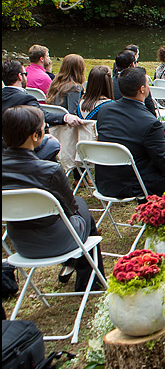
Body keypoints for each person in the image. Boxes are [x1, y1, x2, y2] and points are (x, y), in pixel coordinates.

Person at [2, 105, 105, 291]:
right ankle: (89, 281)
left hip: (21, 244)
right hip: (56, 242)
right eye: (45, 129)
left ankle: (80, 271)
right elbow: (71, 209)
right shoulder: (49, 170)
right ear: (36, 136)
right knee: (81, 207)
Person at [94, 67, 165, 198]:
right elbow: (163, 162)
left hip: (105, 182)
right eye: (147, 84)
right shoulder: (151, 123)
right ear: (142, 89)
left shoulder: (105, 110)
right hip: (135, 185)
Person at [2, 60, 83, 160]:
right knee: (52, 143)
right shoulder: (26, 99)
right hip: (20, 145)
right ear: (20, 76)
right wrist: (65, 117)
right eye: (25, 74)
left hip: (6, 145)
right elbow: (41, 115)